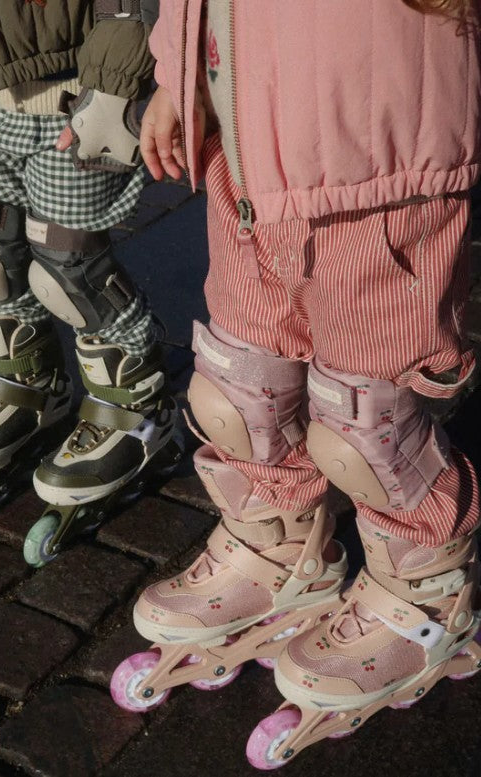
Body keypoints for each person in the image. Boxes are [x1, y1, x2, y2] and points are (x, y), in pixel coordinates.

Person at [114, 0, 481, 763]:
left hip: (375, 145)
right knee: (239, 389)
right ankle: (276, 539)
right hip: (243, 126)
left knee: (365, 423)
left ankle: (426, 589)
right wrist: (178, 72)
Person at [0, 0, 180, 550]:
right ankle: (25, 382)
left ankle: (138, 405)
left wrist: (118, 80)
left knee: (68, 265)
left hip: (80, 82)